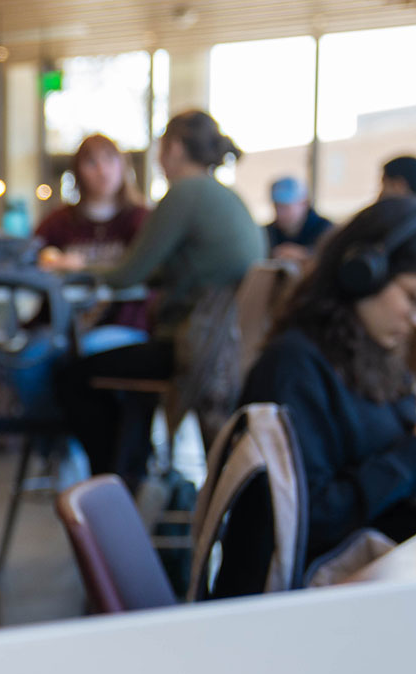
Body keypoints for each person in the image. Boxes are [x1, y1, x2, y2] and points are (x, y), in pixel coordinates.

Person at [241, 199, 416, 565]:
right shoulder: (293, 367)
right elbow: (310, 519)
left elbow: (407, 486)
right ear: (362, 275)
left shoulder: (377, 358)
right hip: (319, 592)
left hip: (381, 569)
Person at [51, 109, 264, 488]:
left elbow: (126, 275)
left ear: (176, 149)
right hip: (224, 348)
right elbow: (164, 272)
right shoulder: (226, 198)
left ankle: (112, 482)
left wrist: (73, 266)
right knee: (124, 375)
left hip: (195, 349)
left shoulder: (185, 193)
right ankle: (131, 470)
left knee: (72, 376)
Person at [34, 133, 148, 271]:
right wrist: (53, 262)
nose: (102, 170)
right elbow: (29, 256)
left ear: (122, 165)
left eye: (109, 159)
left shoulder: (142, 219)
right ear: (78, 171)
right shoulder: (57, 222)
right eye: (91, 162)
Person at [262, 175, 331, 266]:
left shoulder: (326, 229)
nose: (280, 212)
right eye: (276, 206)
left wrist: (305, 255)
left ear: (304, 203)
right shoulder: (267, 232)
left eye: (285, 206)